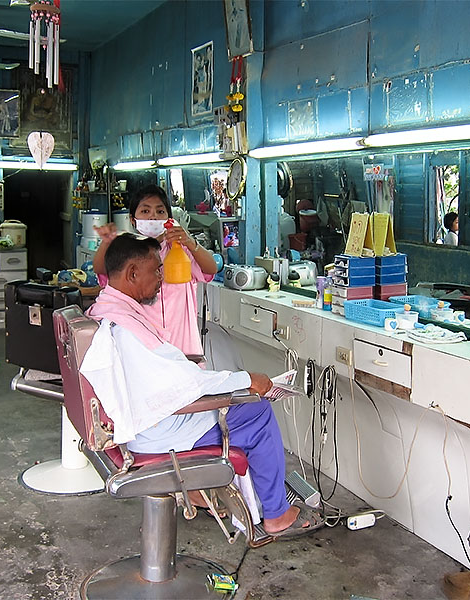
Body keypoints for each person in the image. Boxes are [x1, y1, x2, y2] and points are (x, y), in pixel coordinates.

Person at [85, 233, 320, 538]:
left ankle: (239, 498)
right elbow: (182, 386)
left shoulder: (108, 309)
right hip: (156, 432)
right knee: (258, 411)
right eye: (156, 270)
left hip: (143, 421)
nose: (162, 277)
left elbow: (170, 377)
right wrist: (249, 380)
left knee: (239, 397)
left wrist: (224, 379)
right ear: (132, 273)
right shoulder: (126, 328)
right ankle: (276, 514)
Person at [89, 184, 217, 355]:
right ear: (133, 219)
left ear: (168, 218)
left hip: (183, 346)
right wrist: (107, 243)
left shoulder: (179, 250)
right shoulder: (128, 253)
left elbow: (210, 269)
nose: (153, 217)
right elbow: (102, 271)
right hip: (145, 348)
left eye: (160, 211)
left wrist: (190, 242)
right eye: (145, 211)